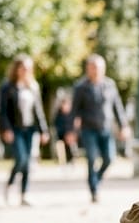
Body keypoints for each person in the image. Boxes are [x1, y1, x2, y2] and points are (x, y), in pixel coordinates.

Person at [71, 54, 129, 202]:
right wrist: (71, 130)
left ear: (103, 69)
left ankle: (96, 179)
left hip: (105, 128)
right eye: (93, 67)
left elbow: (117, 106)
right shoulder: (80, 87)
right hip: (88, 128)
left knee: (109, 158)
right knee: (91, 158)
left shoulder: (110, 85)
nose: (96, 70)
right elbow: (74, 111)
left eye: (99, 67)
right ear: (88, 69)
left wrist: (123, 126)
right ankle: (94, 190)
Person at [0, 55, 49, 206]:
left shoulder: (33, 86)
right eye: (23, 68)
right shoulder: (8, 87)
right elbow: (3, 111)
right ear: (17, 69)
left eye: (28, 68)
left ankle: (24, 194)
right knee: (21, 159)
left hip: (30, 129)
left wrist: (43, 130)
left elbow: (38, 111)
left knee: (28, 162)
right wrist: (5, 129)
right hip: (15, 129)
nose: (26, 71)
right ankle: (11, 183)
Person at [52, 94, 77, 165]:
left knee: (71, 143)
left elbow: (74, 126)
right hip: (61, 134)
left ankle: (71, 158)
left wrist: (71, 133)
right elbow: (56, 125)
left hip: (70, 134)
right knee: (62, 144)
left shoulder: (72, 114)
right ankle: (63, 160)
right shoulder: (59, 115)